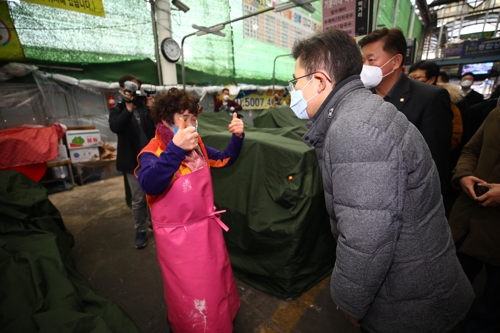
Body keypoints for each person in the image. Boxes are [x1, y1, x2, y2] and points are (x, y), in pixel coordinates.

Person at [290, 28, 473, 332]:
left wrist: (350, 301)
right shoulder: (363, 112)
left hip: (409, 299)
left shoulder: (355, 130)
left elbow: (366, 238)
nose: (293, 92)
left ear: (320, 81)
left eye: (295, 82)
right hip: (414, 281)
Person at [135, 88, 244, 332]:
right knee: (192, 294)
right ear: (165, 119)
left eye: (195, 119)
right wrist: (175, 149)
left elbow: (225, 158)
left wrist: (237, 138)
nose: (193, 126)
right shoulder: (152, 152)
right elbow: (149, 183)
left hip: (208, 233)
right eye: (185, 118)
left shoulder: (198, 147)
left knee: (217, 284)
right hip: (179, 244)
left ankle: (220, 322)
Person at [358, 28, 453, 194]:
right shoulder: (362, 97)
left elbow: (435, 162)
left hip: (407, 198)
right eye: (362, 60)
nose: (364, 66)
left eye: (371, 60)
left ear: (395, 62)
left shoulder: (430, 97)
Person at [448, 106, 500, 333]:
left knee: (493, 305)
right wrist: (465, 175)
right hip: (470, 218)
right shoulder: (496, 114)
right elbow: (471, 150)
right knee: (450, 288)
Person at [109, 74, 155, 249]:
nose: (133, 92)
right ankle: (140, 230)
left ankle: (153, 223)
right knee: (138, 199)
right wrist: (128, 108)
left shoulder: (144, 107)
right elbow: (116, 127)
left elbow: (158, 127)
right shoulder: (117, 110)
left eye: (136, 87)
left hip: (151, 159)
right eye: (130, 88)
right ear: (122, 89)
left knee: (154, 194)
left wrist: (152, 109)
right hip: (132, 162)